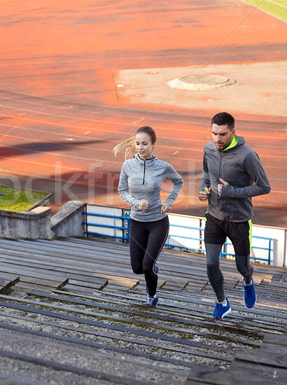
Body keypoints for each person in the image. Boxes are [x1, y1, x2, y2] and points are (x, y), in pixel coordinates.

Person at [198, 112, 271, 318]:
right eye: (214, 133)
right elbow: (206, 173)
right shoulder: (208, 149)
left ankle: (248, 281)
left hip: (239, 220)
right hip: (213, 216)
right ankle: (222, 303)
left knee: (242, 266)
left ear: (233, 132)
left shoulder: (247, 155)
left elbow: (264, 187)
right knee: (211, 263)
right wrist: (203, 189)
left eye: (222, 134)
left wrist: (232, 192)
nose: (217, 139)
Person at [115, 126, 184, 307]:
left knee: (147, 266)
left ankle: (151, 297)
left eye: (144, 144)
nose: (140, 147)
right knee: (137, 268)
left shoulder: (163, 167)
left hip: (157, 223)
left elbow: (179, 181)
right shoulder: (127, 165)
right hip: (137, 222)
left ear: (153, 144)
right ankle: (151, 268)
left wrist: (169, 201)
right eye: (137, 144)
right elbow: (122, 190)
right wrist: (135, 203)